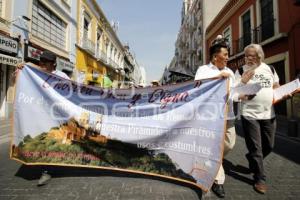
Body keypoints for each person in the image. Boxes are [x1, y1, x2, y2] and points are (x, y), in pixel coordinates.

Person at [17, 50, 70, 186]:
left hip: (56, 116)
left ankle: (48, 169)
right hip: (41, 114)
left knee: (54, 142)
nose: (43, 65)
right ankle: (46, 169)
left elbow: (72, 92)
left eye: (45, 63)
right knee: (44, 140)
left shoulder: (62, 76)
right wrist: (22, 68)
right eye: (41, 62)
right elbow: (18, 79)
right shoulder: (36, 73)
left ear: (53, 64)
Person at [195, 36, 236, 198]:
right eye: (225, 54)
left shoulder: (231, 72)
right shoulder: (203, 70)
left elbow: (235, 92)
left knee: (230, 143)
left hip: (229, 114)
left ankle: (211, 160)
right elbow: (198, 87)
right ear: (215, 56)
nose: (227, 57)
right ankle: (218, 181)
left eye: (227, 55)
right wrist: (218, 79)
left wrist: (244, 93)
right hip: (211, 116)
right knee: (215, 146)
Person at [234, 44, 279, 194]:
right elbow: (234, 92)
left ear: (260, 56)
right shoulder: (241, 71)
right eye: (246, 56)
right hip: (249, 114)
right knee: (256, 148)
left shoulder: (270, 69)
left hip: (269, 114)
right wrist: (244, 84)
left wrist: (284, 93)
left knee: (269, 145)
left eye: (251, 56)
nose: (248, 59)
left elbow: (276, 86)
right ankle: (260, 178)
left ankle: (252, 158)